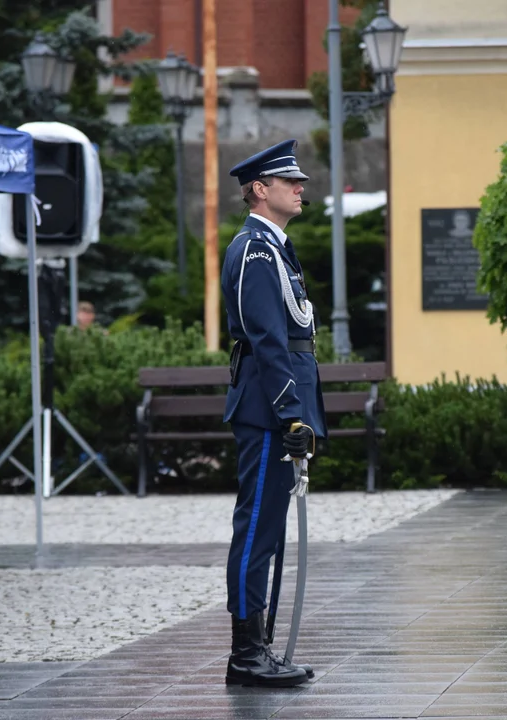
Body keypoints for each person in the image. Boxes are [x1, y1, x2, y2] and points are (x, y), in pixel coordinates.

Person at [219, 139, 327, 688]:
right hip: (268, 411)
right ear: (260, 189)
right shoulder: (255, 249)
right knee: (257, 531)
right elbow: (265, 339)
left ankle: (258, 648)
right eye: (290, 181)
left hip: (281, 408)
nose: (300, 187)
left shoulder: (275, 247)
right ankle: (246, 653)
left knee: (269, 533)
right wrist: (290, 413)